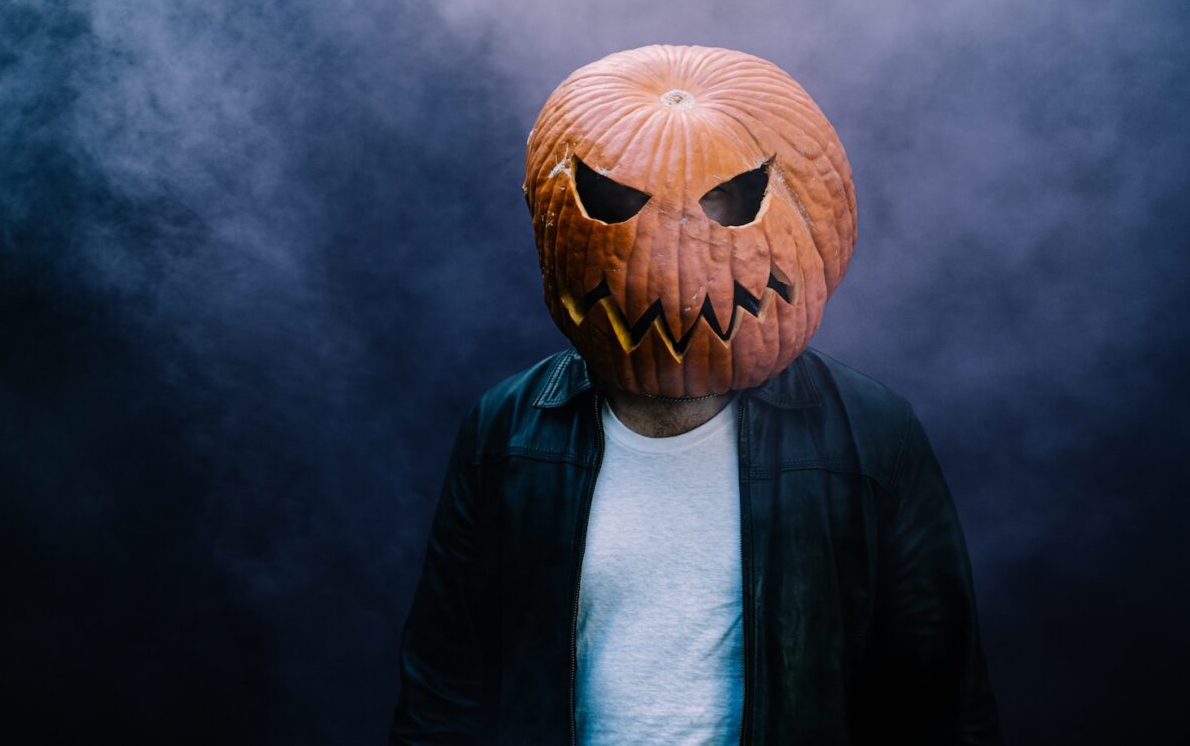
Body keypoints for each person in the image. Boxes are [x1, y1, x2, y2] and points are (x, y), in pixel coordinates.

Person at [390, 45, 1002, 745]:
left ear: (818, 220)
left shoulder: (870, 438)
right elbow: (442, 692)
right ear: (550, 222)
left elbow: (944, 706)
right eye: (618, 204)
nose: (674, 261)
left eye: (730, 204)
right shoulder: (505, 432)